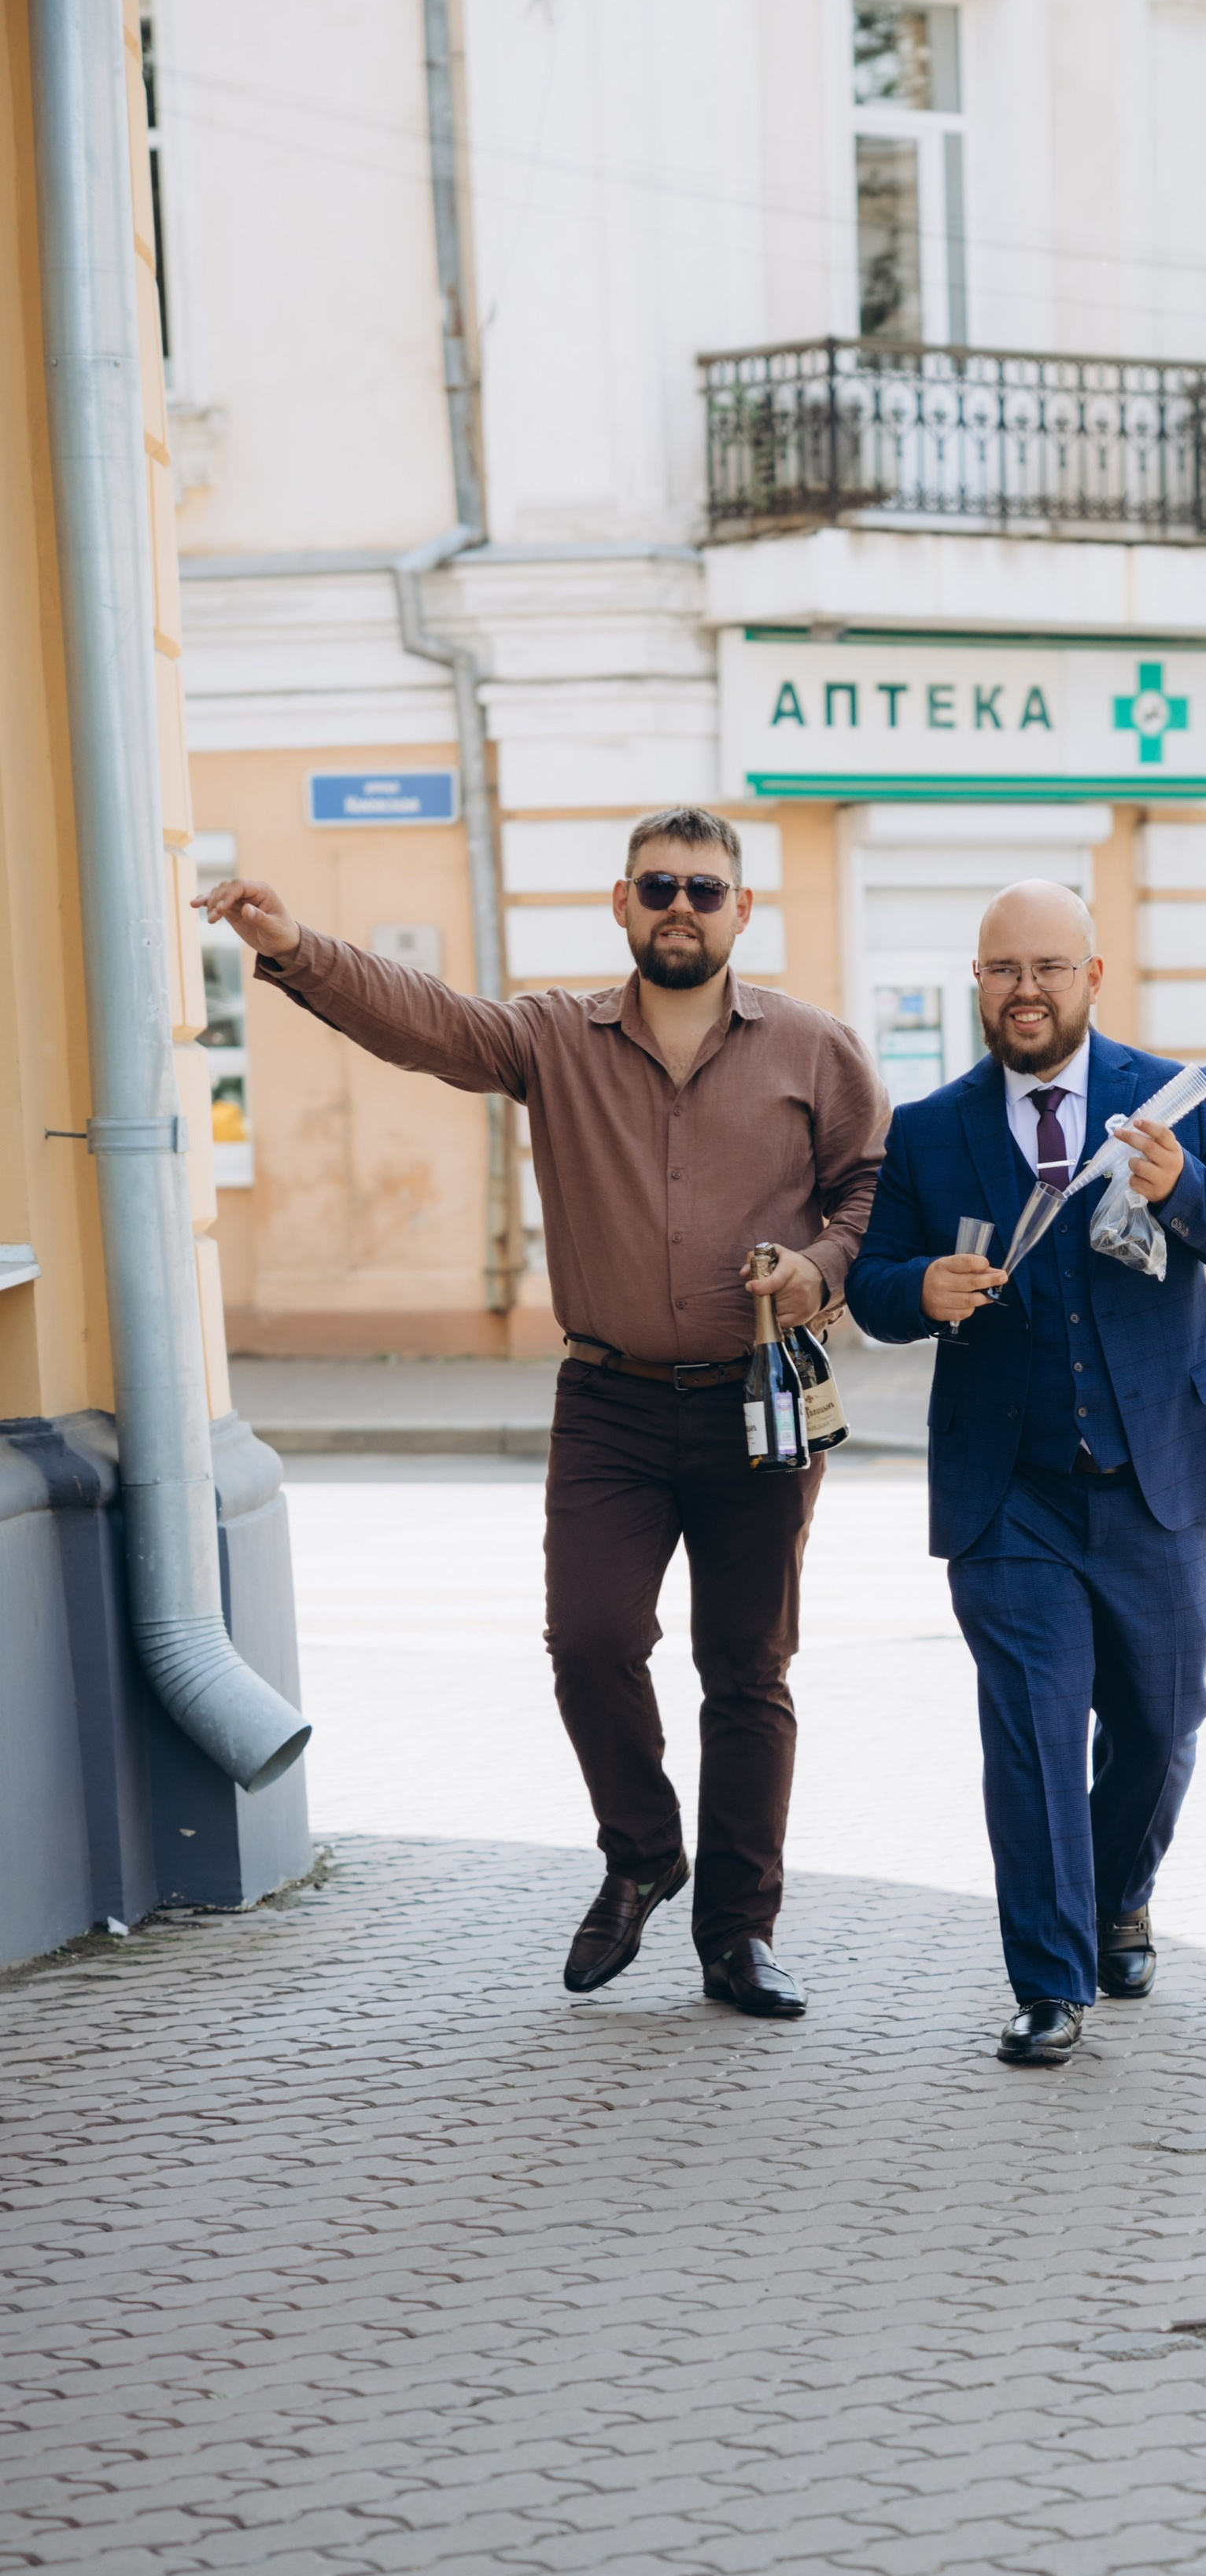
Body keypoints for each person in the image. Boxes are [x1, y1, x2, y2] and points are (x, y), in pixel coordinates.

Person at [198, 807, 887, 2018]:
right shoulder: (553, 1039)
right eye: (659, 886)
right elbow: (427, 1020)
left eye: (707, 890)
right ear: (622, 906)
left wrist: (819, 1268)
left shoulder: (817, 1051)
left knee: (748, 1670)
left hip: (755, 1408)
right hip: (609, 1404)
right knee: (589, 1641)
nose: (683, 905)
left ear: (742, 912)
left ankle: (738, 1935)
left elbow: (870, 1188)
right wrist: (297, 945)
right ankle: (642, 1852)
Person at [847, 883, 1206, 2069]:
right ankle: (1050, 1980)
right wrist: (916, 1293)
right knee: (1034, 1731)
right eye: (1003, 969)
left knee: (1160, 1718)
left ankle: (1117, 1894)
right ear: (977, 984)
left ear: (1093, 976)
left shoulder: (1173, 1097)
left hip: (1157, 1475)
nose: (1025, 989)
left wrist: (1180, 1190)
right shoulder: (934, 1129)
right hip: (1012, 1491)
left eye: (1049, 966)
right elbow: (874, 1281)